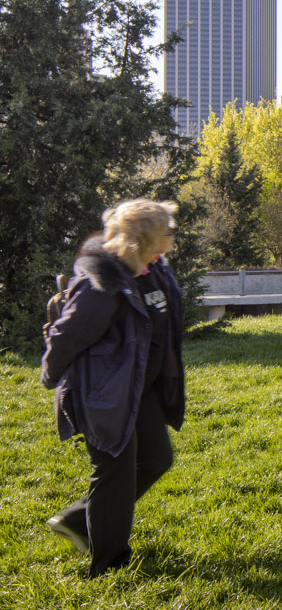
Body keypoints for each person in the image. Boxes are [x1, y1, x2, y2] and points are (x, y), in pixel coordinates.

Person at [40, 200, 187, 576]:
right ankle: (108, 564)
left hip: (138, 387)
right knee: (115, 470)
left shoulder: (154, 269)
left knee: (156, 458)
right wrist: (50, 376)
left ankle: (77, 520)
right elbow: (67, 335)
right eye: (167, 229)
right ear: (143, 238)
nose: (173, 234)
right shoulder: (102, 283)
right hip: (102, 390)